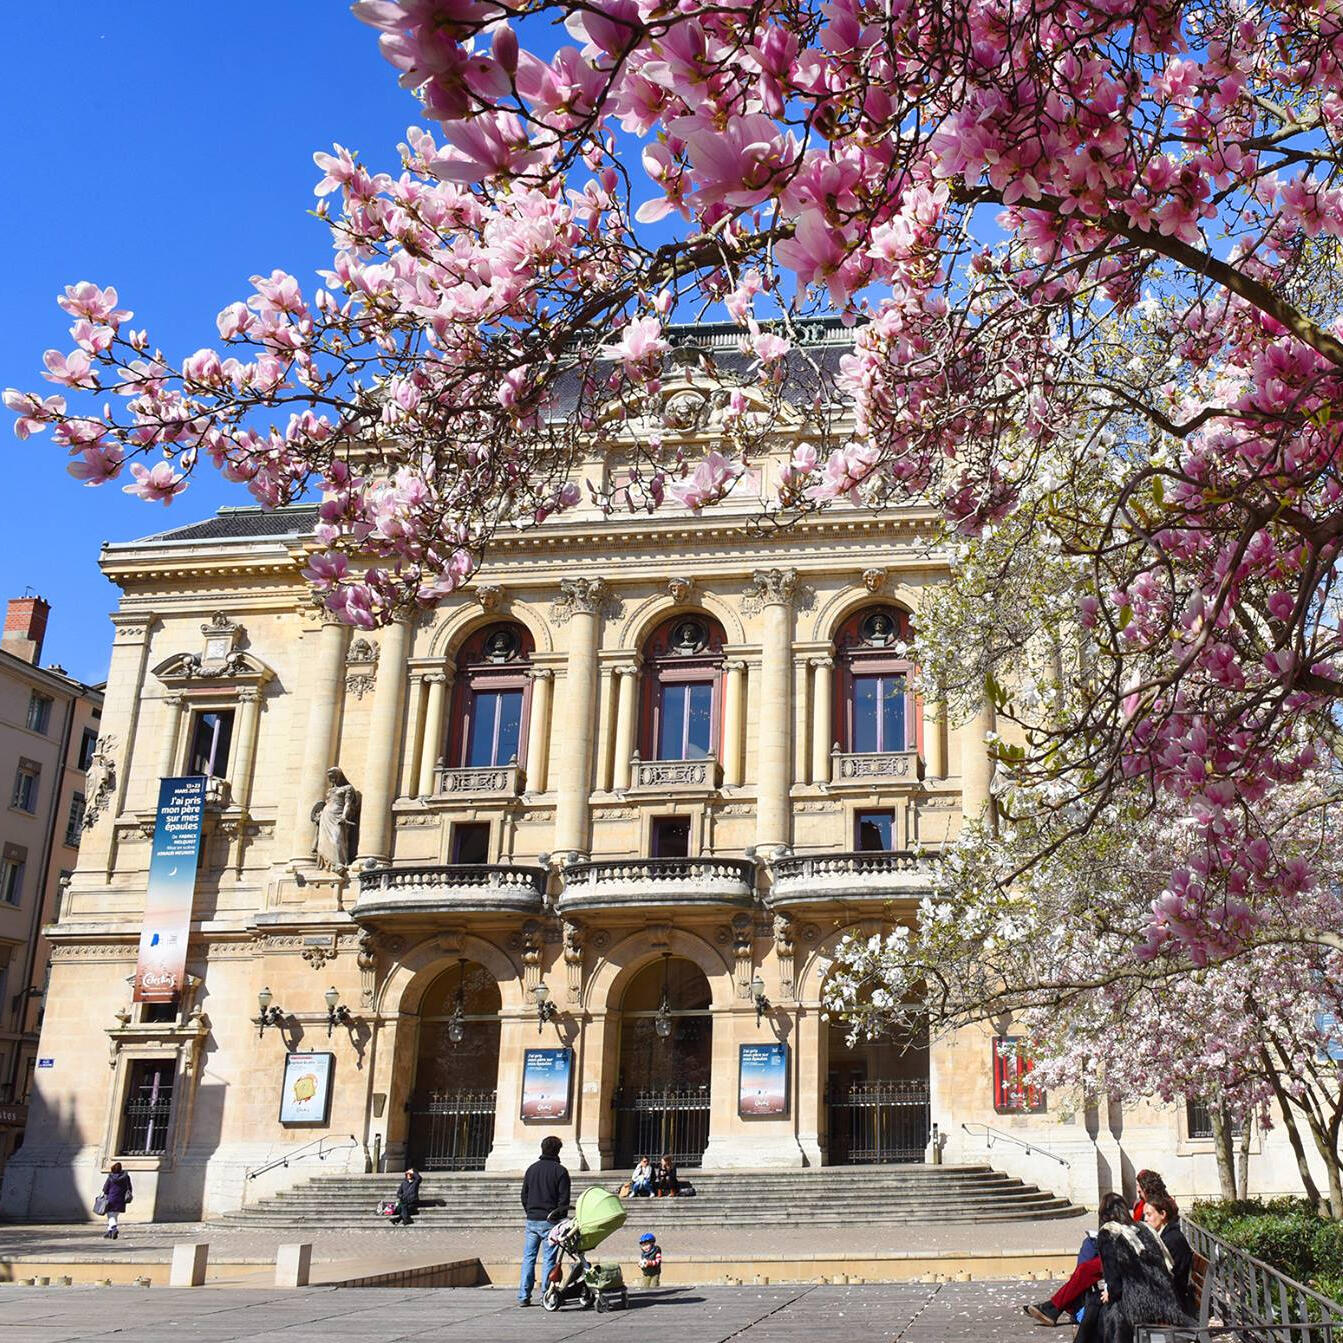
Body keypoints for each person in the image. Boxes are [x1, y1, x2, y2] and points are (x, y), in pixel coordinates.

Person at [1025, 1171, 1169, 1326]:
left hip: (1133, 1258)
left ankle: (1059, 1307)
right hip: (1127, 1253)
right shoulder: (1143, 1204)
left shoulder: (1157, 1205)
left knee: (1086, 1269)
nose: (1138, 1192)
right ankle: (1060, 1307)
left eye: (1140, 1188)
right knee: (1088, 1252)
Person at [1093, 1190, 1193, 1343]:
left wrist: (1109, 1293)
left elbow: (1115, 1283)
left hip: (1143, 1305)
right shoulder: (1142, 1228)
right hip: (1165, 1299)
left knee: (1101, 1312)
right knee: (1097, 1308)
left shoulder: (1108, 1234)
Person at [518, 1135, 570, 1307]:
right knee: (549, 1259)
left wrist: (530, 1211)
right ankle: (546, 1295)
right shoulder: (560, 1171)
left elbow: (524, 1195)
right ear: (558, 1150)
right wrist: (558, 1218)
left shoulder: (531, 1169)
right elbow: (564, 1200)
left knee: (528, 1258)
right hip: (550, 1221)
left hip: (532, 1220)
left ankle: (523, 1295)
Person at [1143, 1191, 1195, 1317]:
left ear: (1162, 1214)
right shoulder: (1166, 1234)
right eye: (1145, 1215)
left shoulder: (1171, 1239)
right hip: (1170, 1296)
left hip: (1172, 1302)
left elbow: (1164, 1275)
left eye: (1149, 1214)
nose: (1145, 1219)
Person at [99, 1162, 132, 1239]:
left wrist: (103, 1194)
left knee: (110, 1215)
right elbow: (129, 1187)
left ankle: (114, 1228)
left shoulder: (110, 1177)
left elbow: (105, 1188)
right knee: (115, 1215)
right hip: (121, 1198)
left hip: (111, 1198)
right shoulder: (126, 1177)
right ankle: (109, 1231)